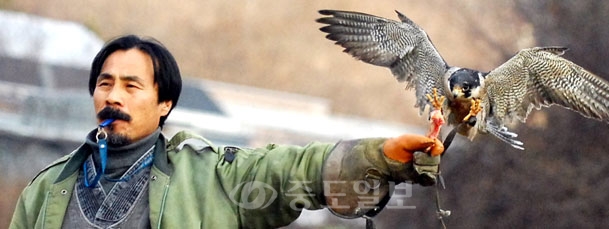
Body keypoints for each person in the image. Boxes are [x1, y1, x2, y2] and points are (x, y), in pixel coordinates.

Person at [9, 35, 444, 228]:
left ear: (165, 105)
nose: (113, 96)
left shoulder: (209, 177)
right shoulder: (48, 188)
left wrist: (377, 157)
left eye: (131, 85)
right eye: (104, 84)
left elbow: (290, 170)